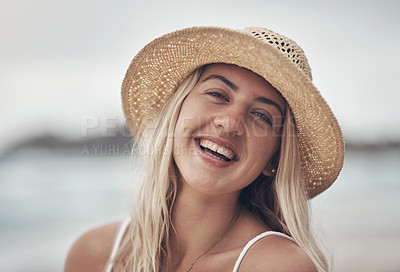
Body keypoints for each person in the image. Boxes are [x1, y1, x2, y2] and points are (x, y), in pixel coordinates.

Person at [65, 26, 344, 272]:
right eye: (218, 95)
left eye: (261, 116)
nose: (230, 123)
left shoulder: (278, 267)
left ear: (274, 160)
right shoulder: (93, 254)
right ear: (176, 113)